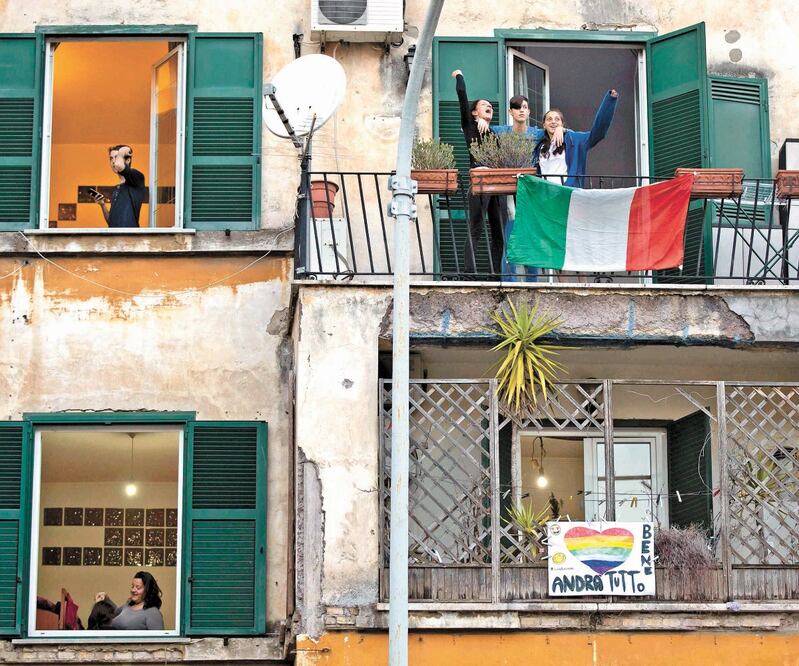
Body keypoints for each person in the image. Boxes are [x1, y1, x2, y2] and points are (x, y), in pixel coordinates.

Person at [493, 95, 564, 280]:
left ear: (529, 111)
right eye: (517, 107)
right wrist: (481, 122)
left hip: (531, 193)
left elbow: (555, 131)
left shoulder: (536, 133)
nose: (521, 110)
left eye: (525, 107)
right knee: (511, 237)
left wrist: (561, 128)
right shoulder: (502, 132)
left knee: (532, 237)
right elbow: (475, 133)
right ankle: (509, 283)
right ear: (510, 112)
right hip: (509, 192)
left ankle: (533, 283)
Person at [451, 69, 507, 278]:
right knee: (476, 227)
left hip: (497, 185)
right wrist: (459, 76)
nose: (489, 106)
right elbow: (462, 96)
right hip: (480, 182)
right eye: (484, 105)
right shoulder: (469, 125)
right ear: (474, 112)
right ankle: (468, 273)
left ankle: (496, 275)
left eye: (490, 105)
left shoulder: (494, 133)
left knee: (498, 232)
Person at [533, 89, 619, 188]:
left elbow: (598, 133)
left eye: (557, 119)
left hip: (567, 194)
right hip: (544, 195)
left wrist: (610, 101)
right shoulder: (538, 145)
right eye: (549, 119)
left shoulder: (575, 140)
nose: (553, 122)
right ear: (544, 125)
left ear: (562, 124)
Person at [92, 144, 146, 228]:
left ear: (128, 160)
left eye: (116, 157)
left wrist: (123, 151)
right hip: (114, 239)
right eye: (111, 158)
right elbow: (111, 222)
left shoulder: (137, 178)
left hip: (130, 238)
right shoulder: (116, 189)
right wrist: (102, 205)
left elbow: (119, 165)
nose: (113, 161)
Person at [95, 571, 164, 630]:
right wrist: (106, 599)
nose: (133, 590)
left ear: (148, 590)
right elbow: (114, 611)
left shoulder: (153, 613)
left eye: (138, 587)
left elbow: (159, 641)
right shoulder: (128, 606)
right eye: (132, 586)